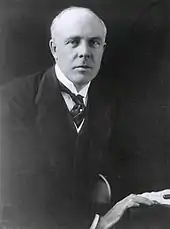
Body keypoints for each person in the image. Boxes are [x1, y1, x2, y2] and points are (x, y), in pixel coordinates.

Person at [1, 6, 170, 229]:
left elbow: (137, 164)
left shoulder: (115, 101)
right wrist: (97, 223)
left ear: (102, 50)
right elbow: (18, 190)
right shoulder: (12, 100)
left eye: (94, 43)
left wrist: (110, 187)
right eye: (73, 42)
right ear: (54, 48)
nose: (84, 52)